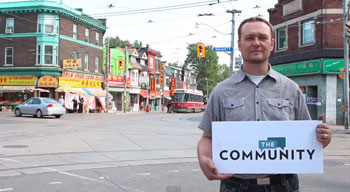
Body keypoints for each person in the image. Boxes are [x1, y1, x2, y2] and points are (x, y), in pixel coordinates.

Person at [197, 17, 333, 192]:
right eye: (249, 38)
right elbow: (207, 137)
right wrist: (203, 157)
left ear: (272, 44)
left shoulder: (291, 89)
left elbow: (306, 140)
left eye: (262, 37)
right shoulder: (221, 91)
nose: (256, 43)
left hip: (284, 185)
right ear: (239, 44)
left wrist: (323, 138)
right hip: (236, 185)